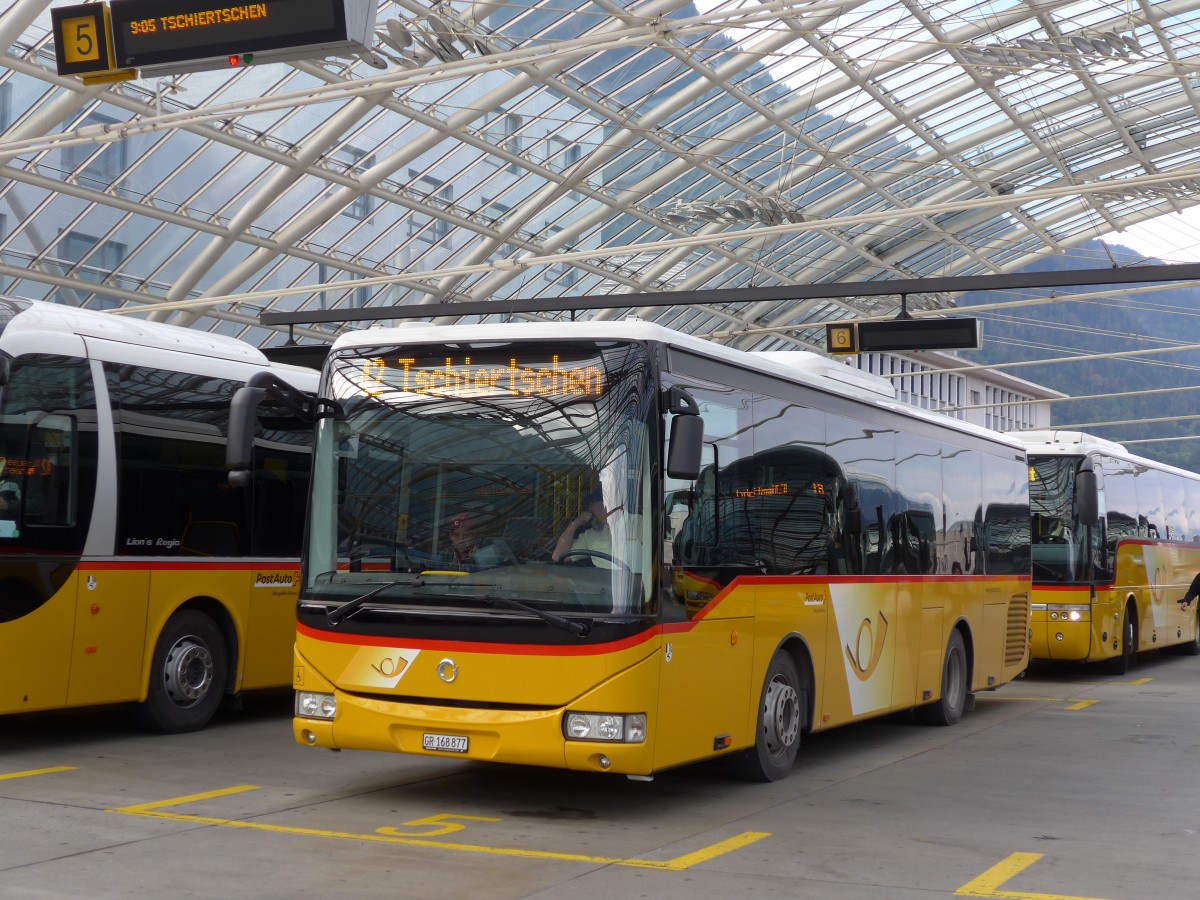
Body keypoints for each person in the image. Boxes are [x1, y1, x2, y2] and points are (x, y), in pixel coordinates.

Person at [552, 486, 613, 567]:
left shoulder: (633, 526)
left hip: (629, 579)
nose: (590, 509)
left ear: (605, 504)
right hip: (600, 579)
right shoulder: (590, 535)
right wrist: (573, 525)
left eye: (592, 504)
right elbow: (557, 556)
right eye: (589, 506)